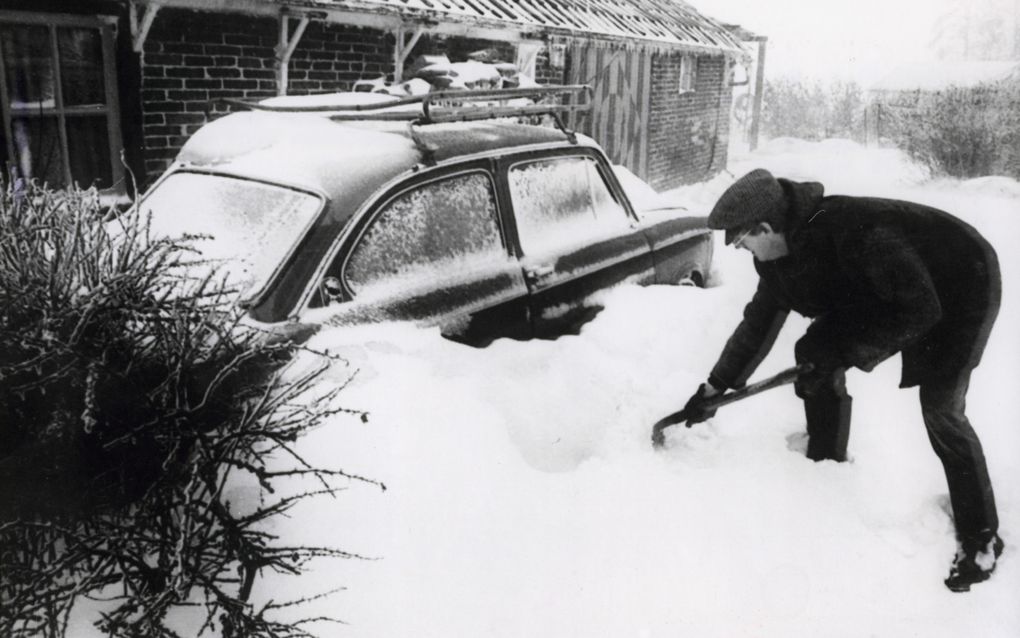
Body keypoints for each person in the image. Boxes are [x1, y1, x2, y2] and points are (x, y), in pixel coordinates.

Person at [683, 169, 1003, 592]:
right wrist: (715, 385)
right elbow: (757, 324)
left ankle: (981, 537)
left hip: (961, 279)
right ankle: (826, 462)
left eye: (744, 242)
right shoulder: (777, 259)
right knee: (813, 354)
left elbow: (921, 310)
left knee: (941, 405)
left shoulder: (858, 233)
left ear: (765, 227)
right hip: (883, 290)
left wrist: (849, 351)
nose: (745, 252)